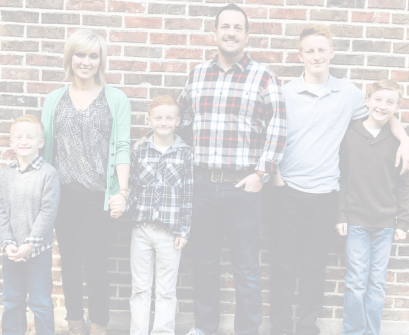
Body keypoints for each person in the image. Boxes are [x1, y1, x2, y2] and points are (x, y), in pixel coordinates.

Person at [132, 4, 286, 335]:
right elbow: (181, 123)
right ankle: (205, 328)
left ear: (247, 35)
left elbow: (277, 131)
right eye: (225, 27)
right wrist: (145, 140)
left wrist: (261, 174)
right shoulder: (197, 74)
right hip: (201, 183)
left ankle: (247, 330)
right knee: (203, 264)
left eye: (238, 28)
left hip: (243, 187)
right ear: (214, 33)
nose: (231, 32)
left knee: (245, 267)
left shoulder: (264, 78)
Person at [268, 24, 409, 335]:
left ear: (332, 53)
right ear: (300, 55)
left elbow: (382, 113)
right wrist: (276, 176)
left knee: (315, 267)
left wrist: (406, 140)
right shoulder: (284, 93)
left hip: (326, 194)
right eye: (310, 51)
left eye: (322, 50)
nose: (317, 56)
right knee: (282, 266)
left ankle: (307, 328)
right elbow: (270, 135)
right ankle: (279, 328)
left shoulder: (348, 94)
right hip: (286, 192)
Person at [41, 29, 131, 335]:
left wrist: (122, 191)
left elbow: (121, 146)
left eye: (94, 56)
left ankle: (99, 327)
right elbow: (44, 148)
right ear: (70, 57)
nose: (86, 62)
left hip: (98, 198)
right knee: (68, 264)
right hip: (63, 196)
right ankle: (75, 324)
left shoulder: (115, 98)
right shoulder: (54, 99)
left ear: (100, 60)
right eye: (81, 54)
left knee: (95, 268)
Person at [114, 95, 194, 335]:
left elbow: (188, 195)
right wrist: (121, 207)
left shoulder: (186, 154)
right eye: (158, 117)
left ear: (178, 120)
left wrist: (184, 229)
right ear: (148, 120)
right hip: (141, 230)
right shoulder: (139, 153)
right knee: (139, 288)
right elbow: (134, 189)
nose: (163, 122)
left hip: (170, 233)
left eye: (169, 117)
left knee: (166, 290)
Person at [336, 79, 408, 335]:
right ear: (366, 101)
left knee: (376, 283)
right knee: (355, 282)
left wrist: (402, 222)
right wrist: (341, 214)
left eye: (390, 102)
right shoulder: (351, 134)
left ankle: (371, 332)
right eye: (377, 100)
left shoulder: (398, 142)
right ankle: (354, 332)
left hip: (386, 224)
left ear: (397, 107)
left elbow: (403, 185)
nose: (382, 106)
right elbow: (341, 177)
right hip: (355, 221)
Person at [0, 115, 60, 335]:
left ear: (41, 142)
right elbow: (1, 212)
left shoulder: (48, 174)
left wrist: (29, 245)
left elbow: (48, 212)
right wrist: (7, 244)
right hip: (11, 251)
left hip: (38, 252)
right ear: (11, 142)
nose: (24, 141)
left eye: (30, 137)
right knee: (12, 299)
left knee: (41, 301)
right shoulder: (5, 175)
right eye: (18, 137)